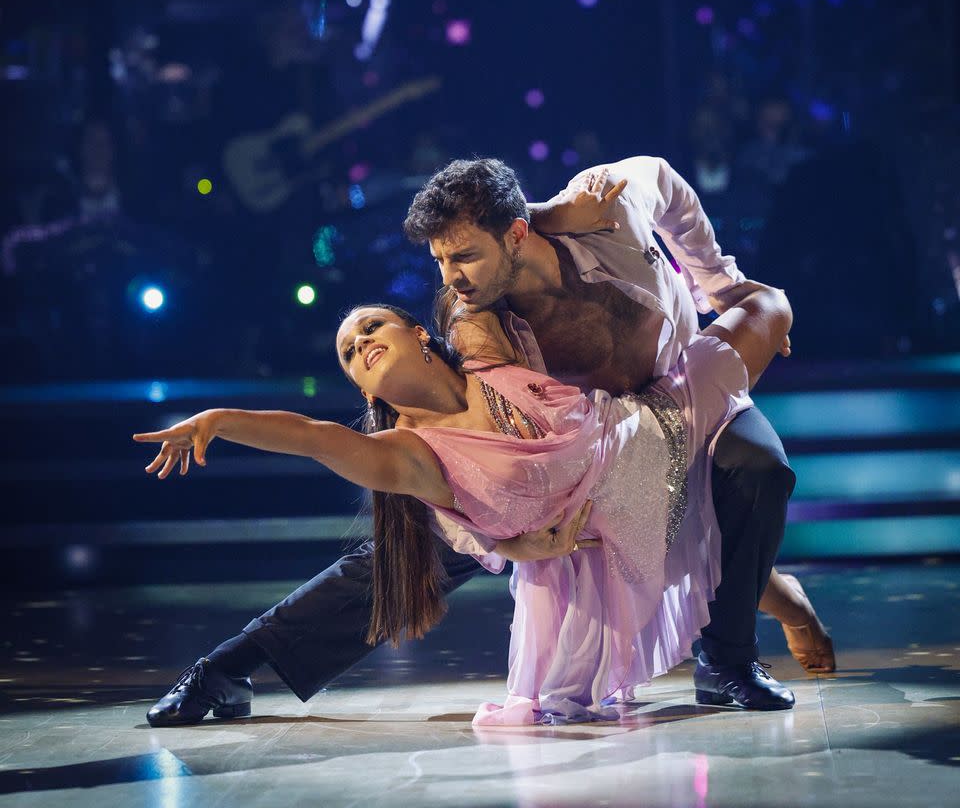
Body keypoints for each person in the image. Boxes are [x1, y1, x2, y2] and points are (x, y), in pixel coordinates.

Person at [143, 154, 833, 729]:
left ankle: (729, 658)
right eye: (441, 260)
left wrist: (720, 283)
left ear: (516, 233)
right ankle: (228, 668)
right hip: (568, 479)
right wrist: (500, 540)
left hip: (684, 398)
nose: (451, 277)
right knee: (404, 553)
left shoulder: (604, 209)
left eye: (465, 255)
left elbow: (667, 184)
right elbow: (463, 443)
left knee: (759, 469)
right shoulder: (476, 321)